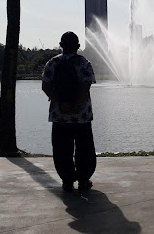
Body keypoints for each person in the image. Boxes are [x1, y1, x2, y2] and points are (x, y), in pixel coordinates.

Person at [42, 31, 97, 193]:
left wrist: (61, 104)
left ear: (60, 45)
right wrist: (75, 106)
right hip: (82, 116)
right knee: (84, 148)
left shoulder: (52, 63)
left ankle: (67, 181)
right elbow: (86, 86)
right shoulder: (83, 63)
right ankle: (83, 179)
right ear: (78, 46)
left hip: (59, 116)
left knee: (61, 149)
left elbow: (45, 86)